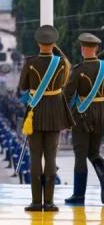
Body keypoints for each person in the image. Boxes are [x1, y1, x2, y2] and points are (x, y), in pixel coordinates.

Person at [18, 25, 73, 212]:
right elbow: (64, 83)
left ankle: (35, 202)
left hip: (35, 112)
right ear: (53, 43)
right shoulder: (62, 63)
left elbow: (23, 86)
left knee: (35, 157)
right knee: (51, 157)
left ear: (38, 43)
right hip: (55, 111)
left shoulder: (30, 62)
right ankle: (49, 202)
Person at [63, 33, 104, 205]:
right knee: (93, 152)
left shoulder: (79, 70)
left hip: (83, 115)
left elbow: (67, 95)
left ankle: (79, 194)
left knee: (80, 155)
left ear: (83, 49)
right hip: (102, 114)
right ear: (96, 49)